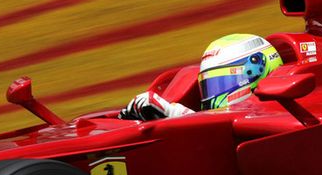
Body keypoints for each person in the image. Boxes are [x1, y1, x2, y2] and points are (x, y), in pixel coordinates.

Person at [119, 33, 283, 121]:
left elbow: (228, 121)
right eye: (210, 86)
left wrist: (173, 112)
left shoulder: (282, 115)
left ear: (255, 70)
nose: (213, 95)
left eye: (222, 83)